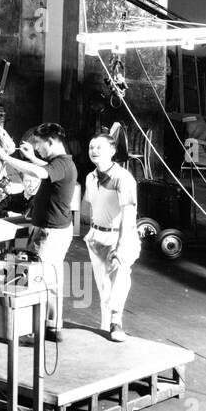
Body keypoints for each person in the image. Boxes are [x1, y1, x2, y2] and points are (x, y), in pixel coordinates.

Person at [0, 123, 77, 342]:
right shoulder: (62, 163)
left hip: (50, 233)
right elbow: (45, 167)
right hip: (52, 230)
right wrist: (32, 157)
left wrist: (6, 158)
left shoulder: (63, 164)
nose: (37, 149)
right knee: (50, 279)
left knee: (38, 279)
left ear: (50, 141)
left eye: (38, 144)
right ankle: (52, 326)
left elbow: (41, 172)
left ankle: (37, 328)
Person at [81, 133, 140, 343]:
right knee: (103, 285)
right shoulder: (90, 177)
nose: (94, 151)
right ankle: (107, 325)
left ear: (112, 151)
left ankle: (117, 321)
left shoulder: (123, 178)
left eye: (99, 147)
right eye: (91, 147)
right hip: (97, 238)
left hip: (120, 237)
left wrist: (121, 246)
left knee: (120, 279)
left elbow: (129, 214)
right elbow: (89, 206)